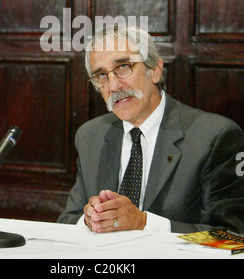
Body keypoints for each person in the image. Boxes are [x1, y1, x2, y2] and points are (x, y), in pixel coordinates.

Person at [57, 25, 244, 234]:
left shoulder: (214, 136)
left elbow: (233, 234)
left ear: (154, 70)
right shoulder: (90, 136)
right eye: (101, 75)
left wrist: (142, 223)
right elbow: (67, 220)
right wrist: (90, 219)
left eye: (123, 67)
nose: (113, 86)